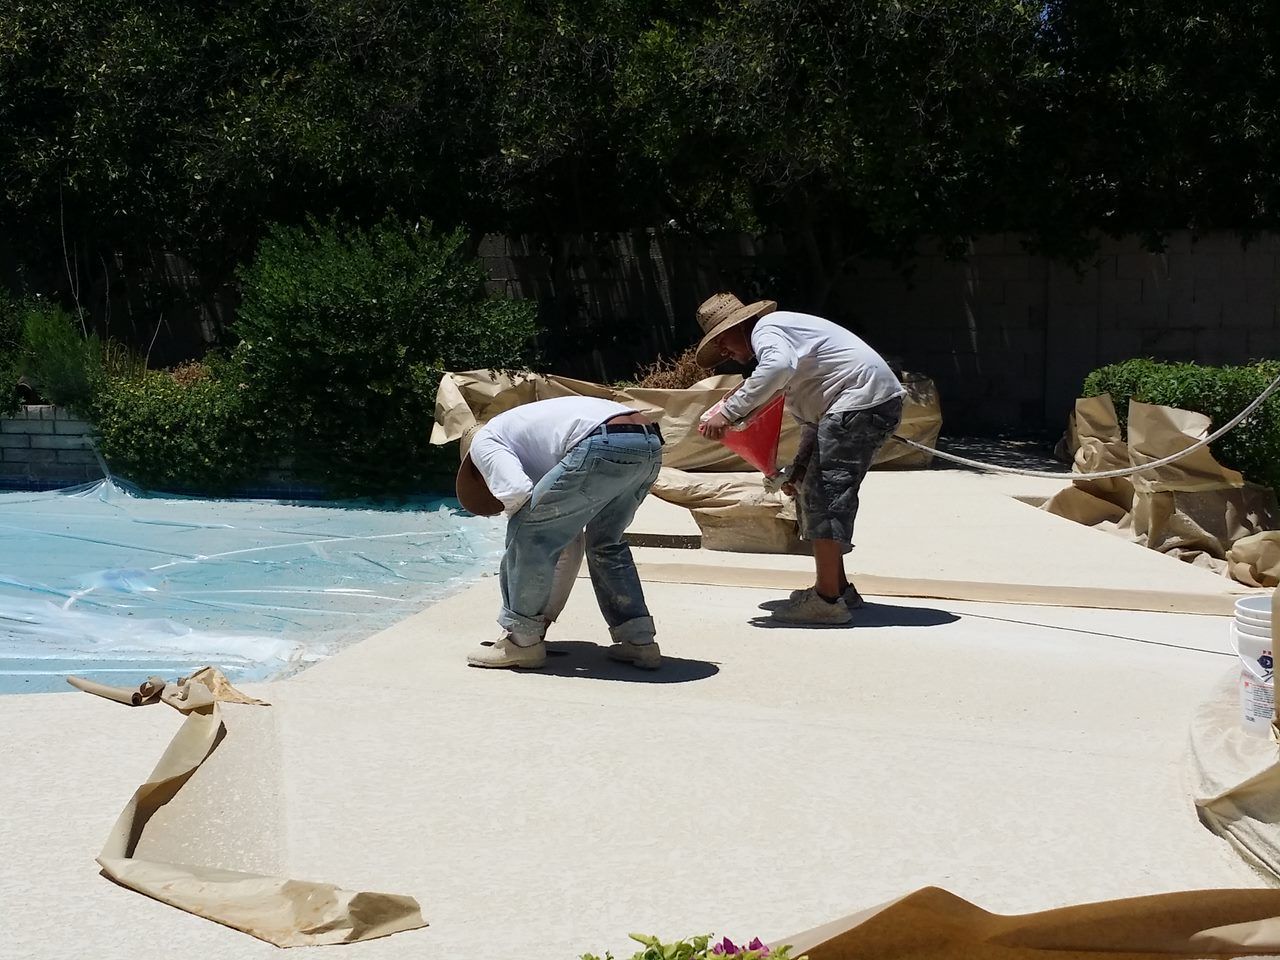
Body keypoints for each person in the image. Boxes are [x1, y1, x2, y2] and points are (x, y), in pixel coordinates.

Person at [695, 292, 905, 625]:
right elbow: (814, 420)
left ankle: (826, 600)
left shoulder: (768, 332)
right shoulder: (786, 344)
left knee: (825, 496)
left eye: (722, 339)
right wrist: (799, 468)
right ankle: (837, 588)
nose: (723, 351)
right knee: (814, 489)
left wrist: (730, 412)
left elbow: (777, 368)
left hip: (859, 403)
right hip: (857, 405)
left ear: (741, 324)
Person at [456, 396, 665, 669]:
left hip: (600, 442)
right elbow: (571, 543)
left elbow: (517, 492)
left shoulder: (485, 441)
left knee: (526, 532)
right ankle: (640, 642)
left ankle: (521, 642)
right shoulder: (529, 438)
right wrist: (546, 615)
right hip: (647, 441)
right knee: (606, 543)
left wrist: (521, 522)